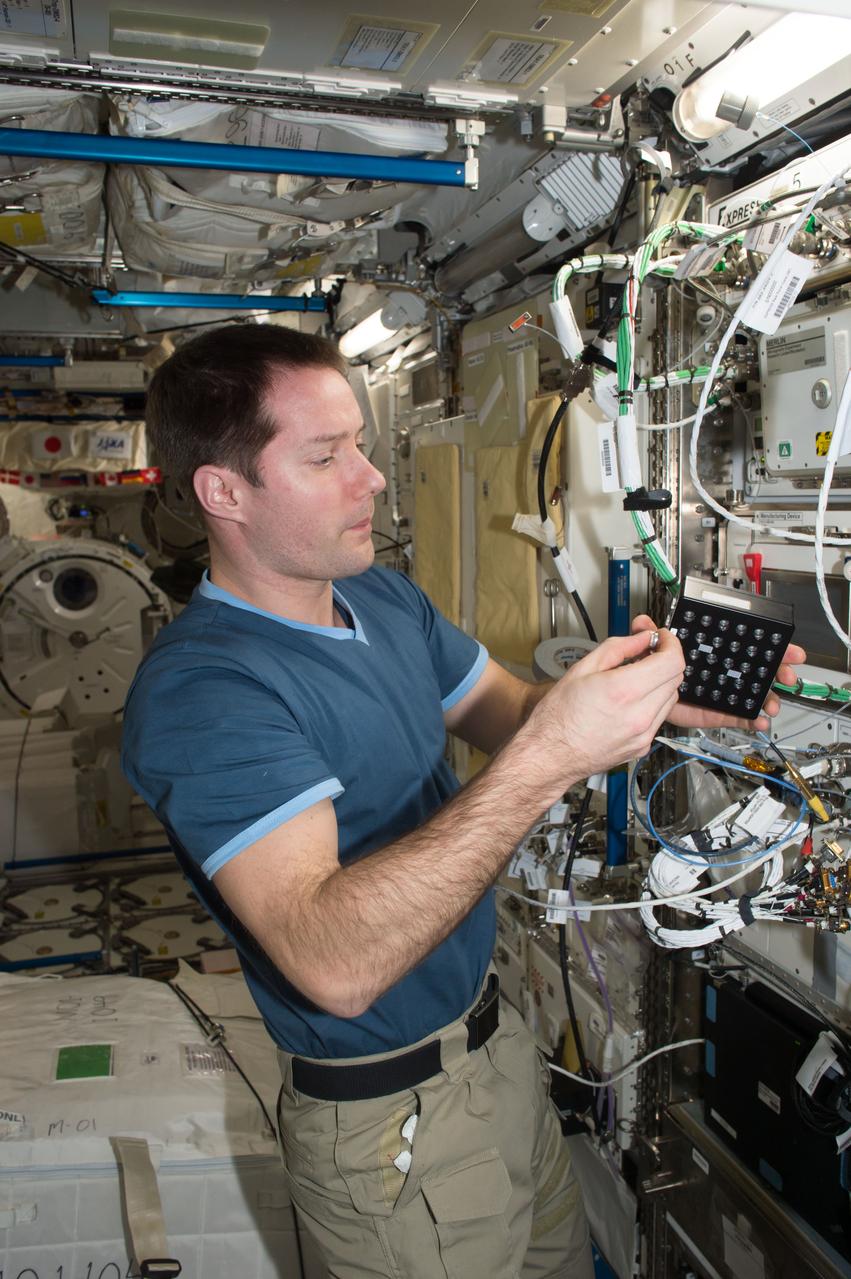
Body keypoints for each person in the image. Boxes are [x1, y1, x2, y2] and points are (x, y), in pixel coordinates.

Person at [122, 324, 804, 1279]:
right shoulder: (205, 690)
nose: (370, 479)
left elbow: (512, 713)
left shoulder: (382, 600)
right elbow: (333, 962)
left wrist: (648, 699)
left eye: (361, 444)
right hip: (388, 1129)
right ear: (222, 492)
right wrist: (555, 757)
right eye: (325, 456)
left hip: (495, 1050)